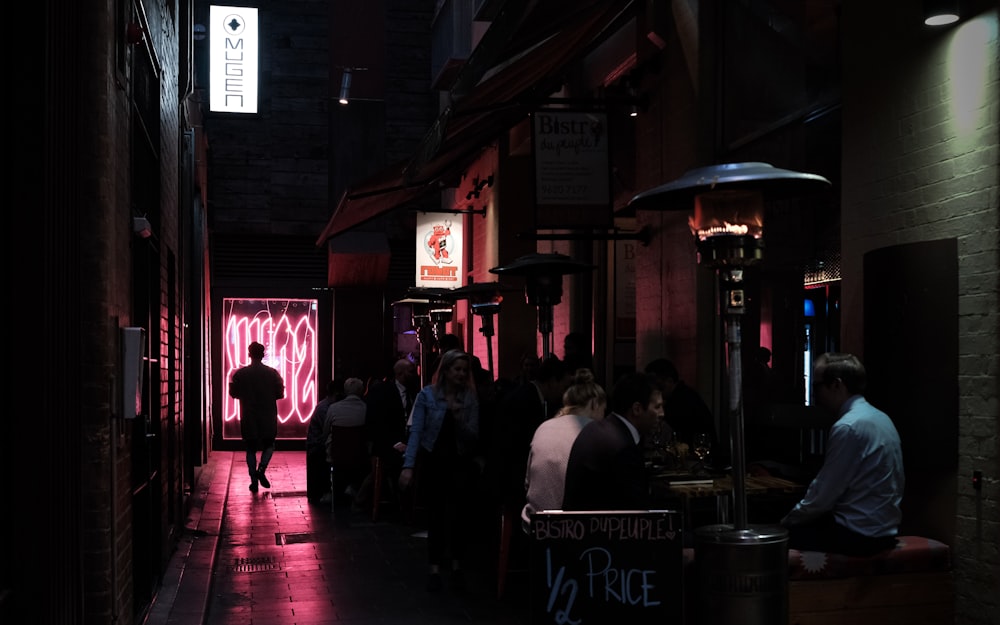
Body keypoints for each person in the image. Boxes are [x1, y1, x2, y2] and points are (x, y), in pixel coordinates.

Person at [781, 352, 904, 557]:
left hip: (858, 535)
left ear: (837, 385)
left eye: (817, 386)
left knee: (774, 538)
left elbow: (823, 495)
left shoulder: (849, 426)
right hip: (884, 530)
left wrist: (787, 520)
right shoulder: (881, 418)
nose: (815, 394)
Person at [398, 350, 480, 593]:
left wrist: (458, 416)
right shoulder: (428, 396)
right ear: (445, 371)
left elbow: (474, 435)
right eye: (457, 369)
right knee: (436, 516)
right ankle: (434, 568)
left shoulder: (469, 398)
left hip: (460, 462)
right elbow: (417, 432)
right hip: (435, 462)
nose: (461, 374)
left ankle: (456, 566)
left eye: (465, 370)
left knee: (459, 517)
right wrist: (408, 466)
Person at [562, 371, 662, 511]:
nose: (662, 413)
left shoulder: (596, 428)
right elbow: (638, 511)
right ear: (637, 409)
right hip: (601, 529)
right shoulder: (621, 447)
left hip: (579, 527)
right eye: (657, 407)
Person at [521, 369, 607, 527]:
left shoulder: (544, 427)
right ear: (595, 404)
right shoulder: (595, 432)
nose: (604, 416)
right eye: (604, 410)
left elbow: (528, 481)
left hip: (534, 523)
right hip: (573, 528)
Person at [356, 359, 419, 514]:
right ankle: (403, 505)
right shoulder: (382, 391)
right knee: (397, 463)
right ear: (400, 373)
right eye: (411, 371)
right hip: (386, 443)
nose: (415, 374)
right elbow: (376, 423)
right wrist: (396, 443)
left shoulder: (413, 392)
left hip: (404, 441)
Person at [228, 342, 285, 492]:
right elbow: (280, 393)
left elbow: (233, 393)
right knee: (269, 445)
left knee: (250, 448)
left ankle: (253, 479)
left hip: (249, 415)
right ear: (263, 354)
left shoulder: (240, 374)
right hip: (268, 415)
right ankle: (261, 470)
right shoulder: (272, 373)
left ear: (249, 354)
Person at [644, 358, 717, 452]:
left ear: (669, 381)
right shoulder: (685, 395)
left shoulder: (682, 401)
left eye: (659, 385)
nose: (655, 389)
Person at [323, 377, 369, 508]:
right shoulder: (366, 408)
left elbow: (325, 432)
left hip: (337, 456)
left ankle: (331, 492)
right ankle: (355, 489)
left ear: (345, 391)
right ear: (362, 391)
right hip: (360, 456)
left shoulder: (333, 408)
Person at [306, 379, 343, 503]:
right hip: (318, 445)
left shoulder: (326, 406)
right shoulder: (326, 409)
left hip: (318, 444)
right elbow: (327, 432)